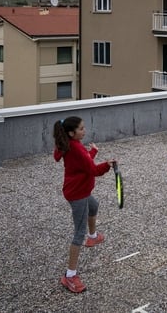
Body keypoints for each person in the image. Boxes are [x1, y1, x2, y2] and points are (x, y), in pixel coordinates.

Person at [53, 116, 115, 293]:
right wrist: (107, 164)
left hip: (79, 189)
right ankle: (70, 275)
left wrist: (93, 153)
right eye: (81, 129)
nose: (84, 131)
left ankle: (93, 236)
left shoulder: (69, 145)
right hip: (77, 193)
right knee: (79, 233)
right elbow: (93, 170)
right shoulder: (77, 149)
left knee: (93, 205)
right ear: (72, 133)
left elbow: (83, 163)